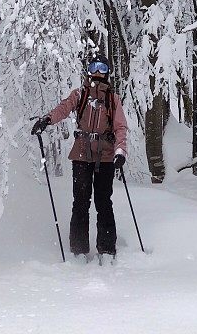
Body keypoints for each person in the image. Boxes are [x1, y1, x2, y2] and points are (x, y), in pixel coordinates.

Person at [31, 55, 127, 260]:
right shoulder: (80, 94)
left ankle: (107, 250)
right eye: (94, 67)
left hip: (107, 156)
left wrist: (121, 151)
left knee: (103, 202)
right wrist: (47, 120)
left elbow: (120, 127)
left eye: (102, 67)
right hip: (82, 154)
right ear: (89, 70)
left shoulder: (113, 99)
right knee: (81, 201)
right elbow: (63, 108)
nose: (98, 71)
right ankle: (79, 250)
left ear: (107, 72)